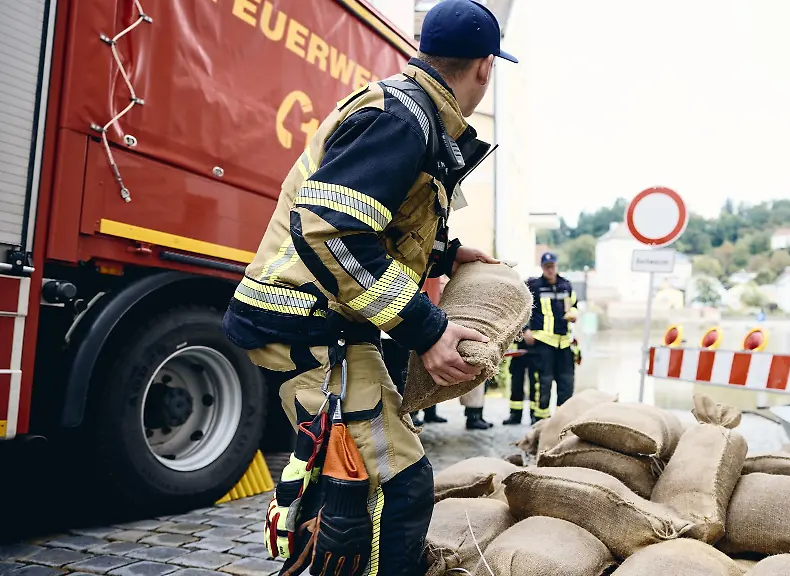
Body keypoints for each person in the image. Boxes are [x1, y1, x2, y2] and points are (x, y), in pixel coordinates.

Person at [221, 0, 516, 572]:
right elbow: (331, 231)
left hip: (314, 323)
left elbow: (375, 226)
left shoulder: (408, 112)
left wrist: (444, 254)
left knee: (350, 472)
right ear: (485, 67)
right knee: (395, 482)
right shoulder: (402, 120)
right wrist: (427, 329)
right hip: (306, 326)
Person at [523, 253, 577, 423]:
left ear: (556, 266)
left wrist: (573, 314)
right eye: (547, 266)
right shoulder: (534, 286)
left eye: (552, 266)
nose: (550, 269)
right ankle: (541, 421)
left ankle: (563, 420)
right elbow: (523, 309)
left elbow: (574, 306)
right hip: (543, 342)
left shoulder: (566, 285)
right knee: (543, 383)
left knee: (566, 383)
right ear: (542, 268)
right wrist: (526, 329)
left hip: (564, 342)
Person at [380, 333, 446, 426]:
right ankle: (409, 413)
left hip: (413, 336)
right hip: (395, 338)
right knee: (402, 376)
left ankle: (428, 413)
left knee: (424, 375)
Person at [502, 324, 538, 425]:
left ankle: (534, 414)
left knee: (535, 384)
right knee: (516, 384)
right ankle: (515, 415)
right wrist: (525, 329)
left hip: (537, 349)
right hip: (518, 350)